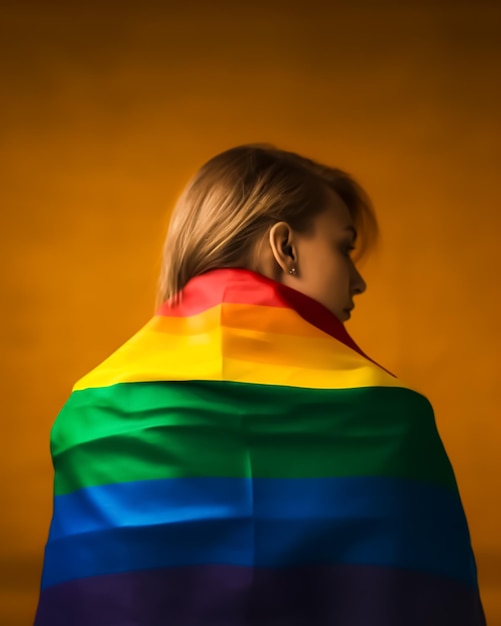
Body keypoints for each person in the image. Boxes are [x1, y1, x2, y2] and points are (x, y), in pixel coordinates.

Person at [34, 145, 485, 626]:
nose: (358, 282)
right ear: (285, 247)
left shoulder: (91, 413)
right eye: (344, 247)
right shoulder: (393, 416)